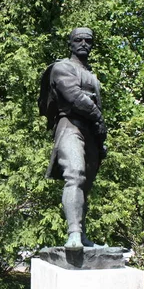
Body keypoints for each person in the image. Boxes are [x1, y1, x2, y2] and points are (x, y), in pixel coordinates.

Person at [38, 27, 107, 250]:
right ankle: (73, 235)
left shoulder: (92, 76)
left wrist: (100, 136)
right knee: (74, 175)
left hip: (91, 132)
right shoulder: (62, 67)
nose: (84, 43)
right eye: (79, 39)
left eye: (88, 40)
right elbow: (74, 97)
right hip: (70, 126)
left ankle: (82, 234)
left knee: (85, 185)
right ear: (70, 43)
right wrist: (97, 115)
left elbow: (93, 102)